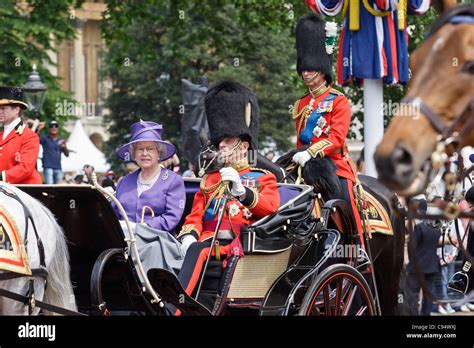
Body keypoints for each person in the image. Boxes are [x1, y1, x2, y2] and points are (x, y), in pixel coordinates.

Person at [176, 81, 280, 304]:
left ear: (243, 146)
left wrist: (243, 193)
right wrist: (189, 235)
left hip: (234, 246)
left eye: (228, 140)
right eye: (220, 140)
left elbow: (270, 208)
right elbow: (196, 216)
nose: (221, 145)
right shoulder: (211, 179)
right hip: (205, 243)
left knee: (198, 252)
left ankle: (174, 307)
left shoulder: (262, 178)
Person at [290, 15, 363, 239]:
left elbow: (337, 138)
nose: (305, 72)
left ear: (322, 69)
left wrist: (312, 152)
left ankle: (355, 244)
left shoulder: (338, 100)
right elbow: (301, 138)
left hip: (335, 164)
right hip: (304, 164)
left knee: (345, 196)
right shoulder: (301, 103)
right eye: (303, 68)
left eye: (310, 68)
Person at [114, 120, 185, 235]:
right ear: (134, 154)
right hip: (124, 244)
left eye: (150, 149)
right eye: (140, 149)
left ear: (159, 153)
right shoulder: (124, 182)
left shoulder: (174, 181)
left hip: (157, 243)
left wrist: (141, 228)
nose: (144, 153)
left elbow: (171, 217)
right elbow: (113, 215)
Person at [0, 86, 42, 184]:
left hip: (26, 192)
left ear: (16, 110)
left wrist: (2, 177)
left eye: (3, 108)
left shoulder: (29, 136)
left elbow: (25, 168)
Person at [38, 120, 69, 184]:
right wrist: (39, 129)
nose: (54, 128)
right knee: (50, 188)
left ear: (58, 128)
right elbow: (33, 139)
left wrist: (64, 147)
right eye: (51, 126)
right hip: (48, 167)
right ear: (49, 129)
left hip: (58, 168)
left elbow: (67, 154)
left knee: (59, 189)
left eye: (56, 126)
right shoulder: (44, 138)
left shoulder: (61, 139)